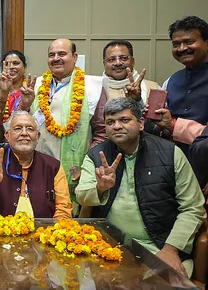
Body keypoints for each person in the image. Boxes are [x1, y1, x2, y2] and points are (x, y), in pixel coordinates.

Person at [76, 98, 206, 277]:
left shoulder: (170, 153)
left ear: (141, 123)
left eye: (124, 120)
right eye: (110, 122)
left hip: (159, 247)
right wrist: (100, 188)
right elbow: (81, 196)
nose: (117, 126)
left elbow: (193, 207)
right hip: (108, 246)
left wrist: (171, 249)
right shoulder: (96, 156)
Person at [30, 38, 107, 205]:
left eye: (62, 54)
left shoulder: (91, 87)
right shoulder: (36, 85)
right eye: (52, 54)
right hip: (39, 164)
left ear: (75, 57)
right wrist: (24, 103)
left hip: (76, 167)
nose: (56, 58)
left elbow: (102, 133)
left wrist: (89, 166)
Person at [0, 111, 72, 218]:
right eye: (18, 128)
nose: (24, 133)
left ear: (38, 136)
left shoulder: (53, 166)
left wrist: (53, 232)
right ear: (7, 135)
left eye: (30, 129)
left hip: (41, 232)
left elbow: (63, 210)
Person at [154, 16, 208, 184]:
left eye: (189, 42)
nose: (182, 48)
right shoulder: (171, 81)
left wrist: (174, 125)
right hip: (177, 168)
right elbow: (158, 124)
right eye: (176, 44)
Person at [0, 50, 36, 141]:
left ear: (25, 67)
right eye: (7, 64)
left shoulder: (30, 89)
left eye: (16, 63)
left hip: (25, 138)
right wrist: (4, 91)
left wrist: (25, 105)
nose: (11, 67)